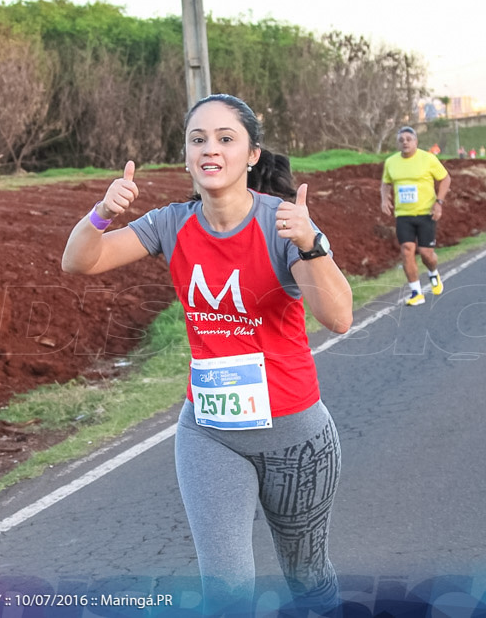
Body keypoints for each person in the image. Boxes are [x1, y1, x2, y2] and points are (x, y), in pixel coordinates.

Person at [62, 93, 353, 616]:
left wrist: (311, 245)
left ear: (252, 155)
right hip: (210, 433)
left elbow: (338, 317)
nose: (210, 149)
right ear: (187, 154)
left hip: (296, 438)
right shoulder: (171, 224)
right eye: (198, 139)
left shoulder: (285, 224)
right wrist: (101, 214)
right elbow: (81, 261)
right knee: (226, 593)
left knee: (308, 580)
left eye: (225, 139)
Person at [381, 126, 451, 306]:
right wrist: (384, 199)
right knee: (406, 249)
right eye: (401, 140)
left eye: (408, 139)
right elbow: (385, 183)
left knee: (426, 253)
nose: (405, 142)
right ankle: (416, 292)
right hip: (403, 215)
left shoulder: (428, 159)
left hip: (425, 213)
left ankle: (433, 273)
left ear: (415, 142)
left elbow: (445, 179)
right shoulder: (391, 162)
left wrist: (439, 202)